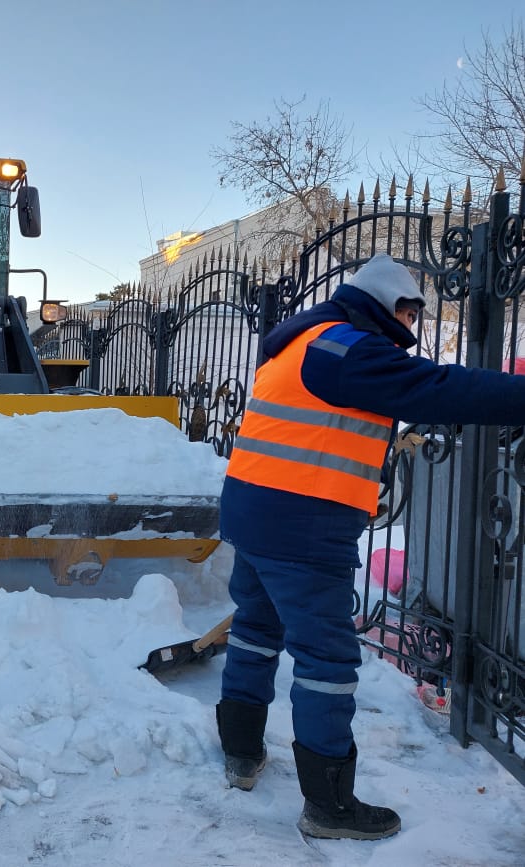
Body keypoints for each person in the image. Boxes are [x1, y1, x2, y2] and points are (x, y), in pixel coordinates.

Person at [215, 253, 525, 840]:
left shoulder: (301, 341)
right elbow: (435, 387)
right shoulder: (345, 348)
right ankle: (329, 807)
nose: (411, 327)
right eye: (408, 313)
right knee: (327, 660)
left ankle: (240, 753)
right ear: (385, 305)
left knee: (256, 629)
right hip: (302, 525)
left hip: (253, 510)